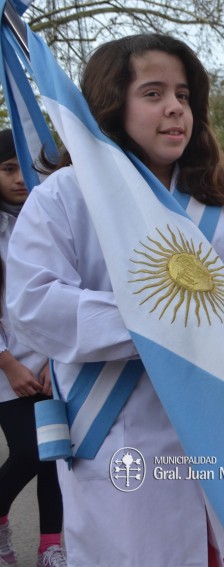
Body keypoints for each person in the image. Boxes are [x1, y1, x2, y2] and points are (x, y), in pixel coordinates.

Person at [6, 34, 224, 566]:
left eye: (184, 95)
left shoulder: (223, 205)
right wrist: (171, 330)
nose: (175, 109)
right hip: (121, 436)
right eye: (153, 92)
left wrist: (218, 334)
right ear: (111, 105)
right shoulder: (65, 196)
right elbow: (35, 303)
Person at [0, 130, 66, 567]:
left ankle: (51, 547)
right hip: (6, 368)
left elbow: (67, 292)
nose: (21, 178)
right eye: (8, 169)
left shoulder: (51, 219)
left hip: (55, 363)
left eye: (26, 168)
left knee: (54, 458)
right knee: (27, 451)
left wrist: (56, 359)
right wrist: (7, 363)